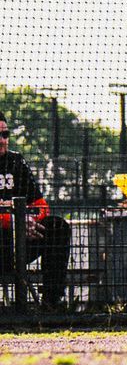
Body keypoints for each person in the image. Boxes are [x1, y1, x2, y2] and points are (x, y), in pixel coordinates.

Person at [0, 118, 71, 310]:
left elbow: (41, 206)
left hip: (18, 242)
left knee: (57, 226)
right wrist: (13, 220)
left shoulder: (15, 161)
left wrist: (27, 221)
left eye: (5, 134)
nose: (2, 140)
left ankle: (52, 302)